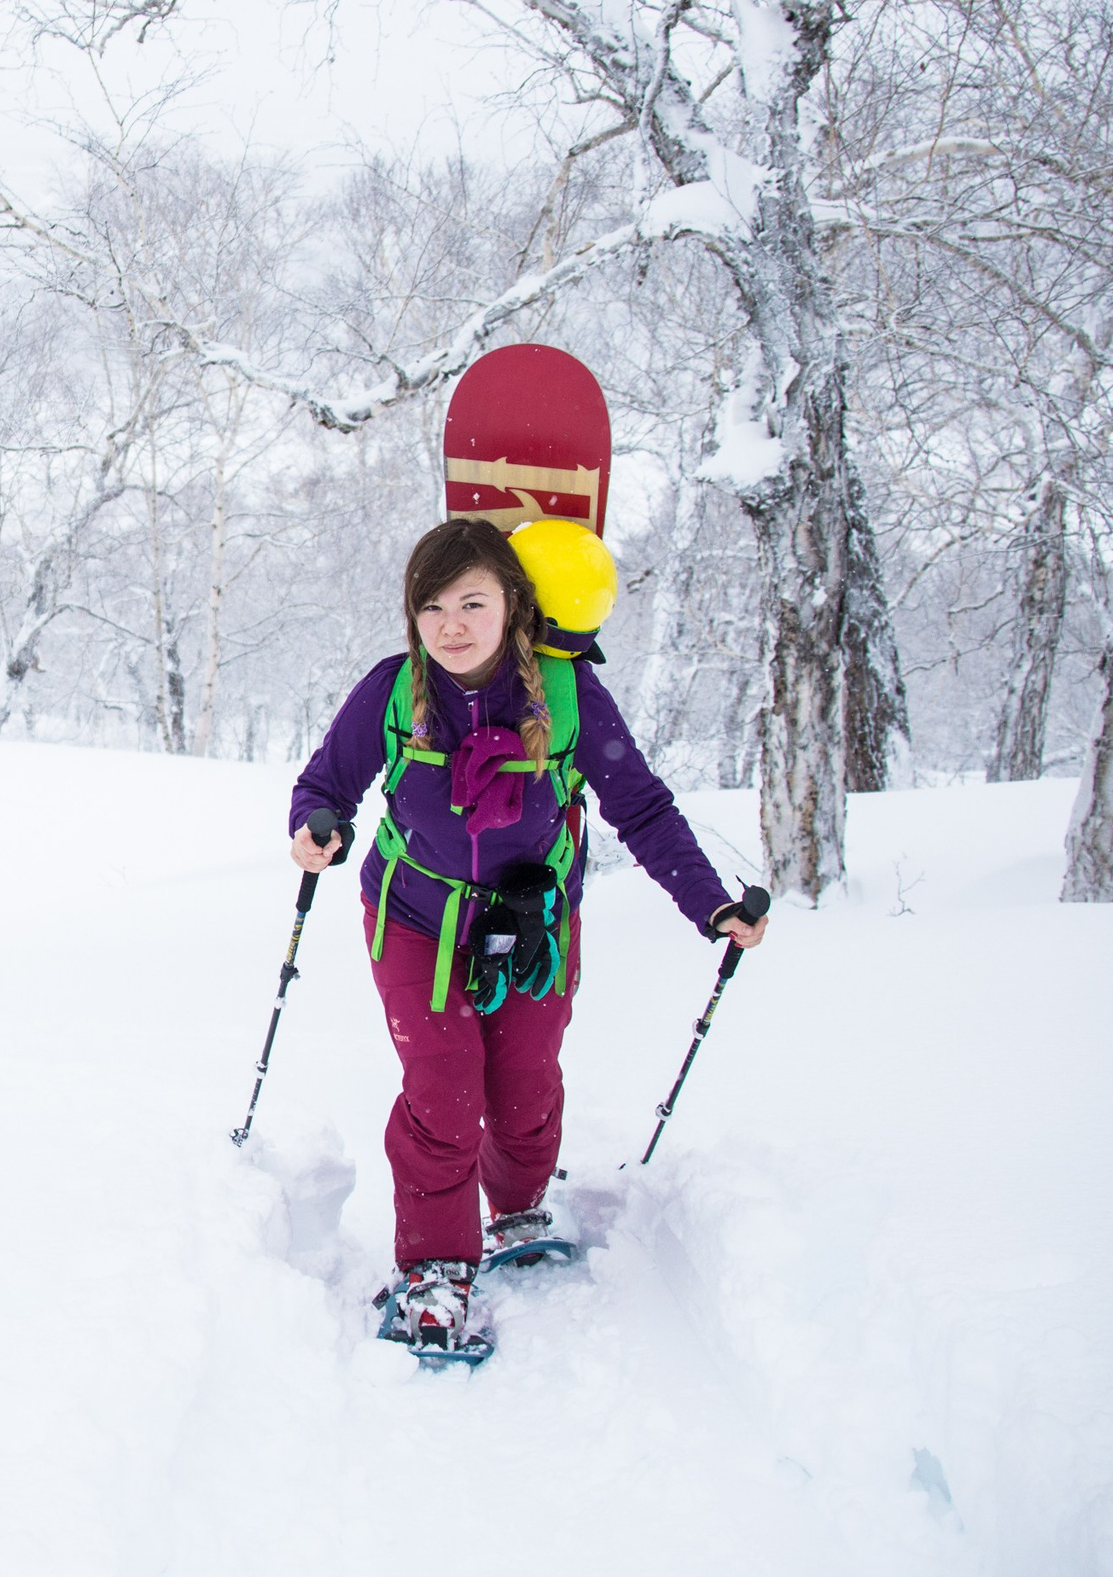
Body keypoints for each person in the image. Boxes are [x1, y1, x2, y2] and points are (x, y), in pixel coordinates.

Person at [287, 518, 768, 1355]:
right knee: (444, 1086)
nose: (451, 626)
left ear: (513, 603)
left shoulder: (569, 694)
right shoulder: (395, 691)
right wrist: (314, 826)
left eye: (472, 602)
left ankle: (516, 1203)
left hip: (535, 920)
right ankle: (435, 1266)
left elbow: (642, 808)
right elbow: (326, 782)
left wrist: (710, 905)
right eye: (432, 607)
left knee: (524, 1084)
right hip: (415, 915)